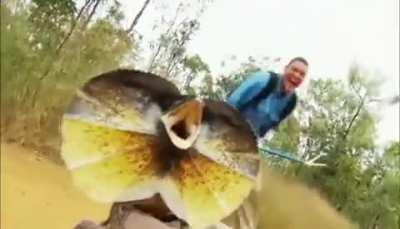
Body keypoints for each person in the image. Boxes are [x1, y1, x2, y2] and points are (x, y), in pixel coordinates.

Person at [227, 57, 308, 138]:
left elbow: (267, 128)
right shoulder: (263, 80)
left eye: (302, 74)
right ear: (285, 69)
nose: (297, 75)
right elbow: (232, 101)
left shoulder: (291, 102)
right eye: (294, 70)